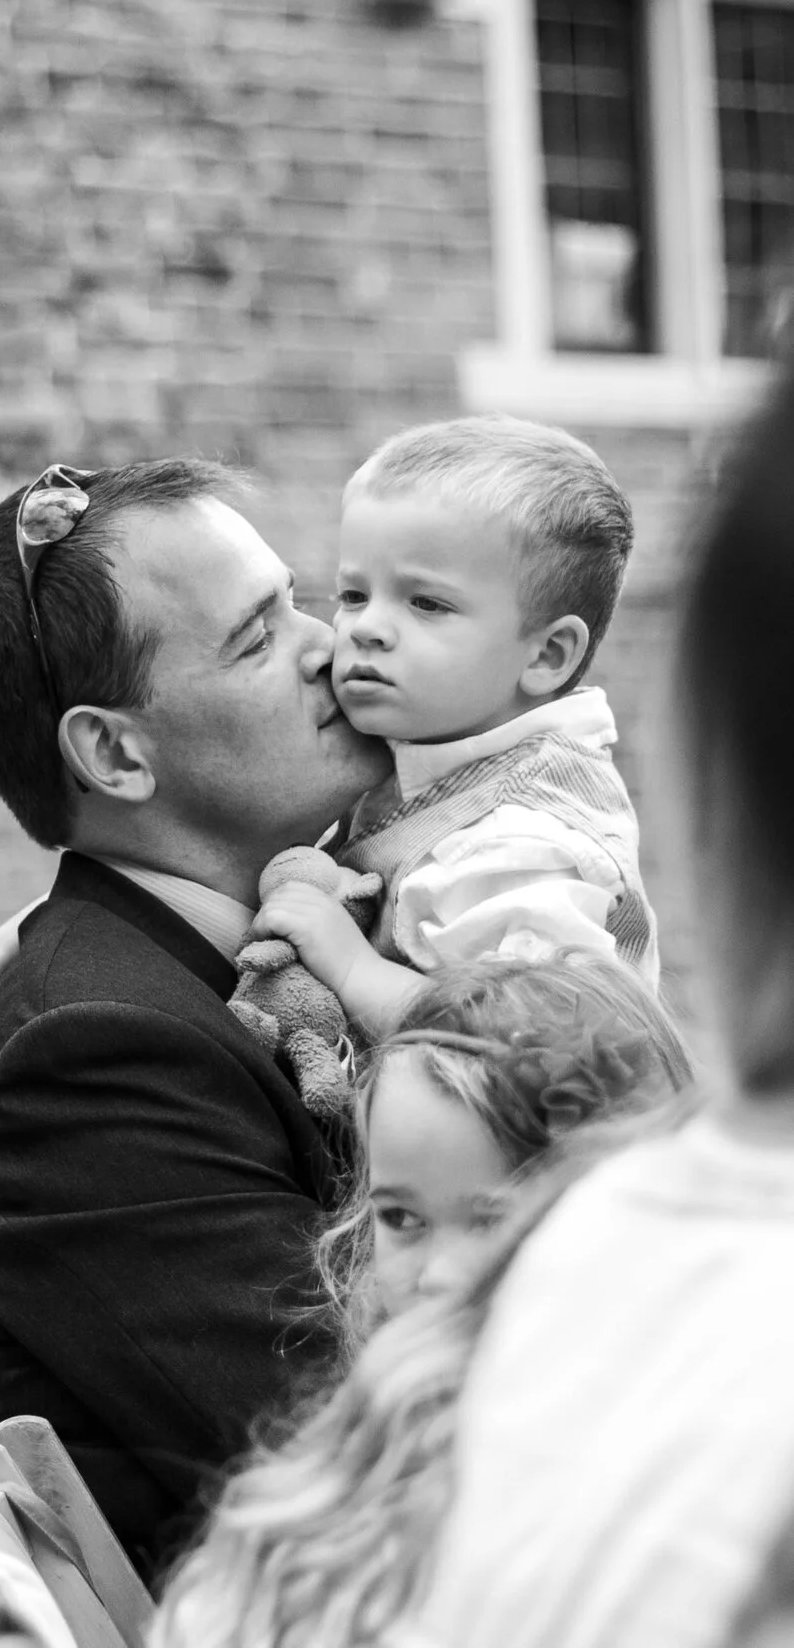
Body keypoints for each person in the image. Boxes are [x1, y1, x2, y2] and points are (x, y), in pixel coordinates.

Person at [0, 458, 389, 1580]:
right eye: (258, 637)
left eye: (300, 601)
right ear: (117, 754)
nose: (331, 644)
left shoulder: (279, 949)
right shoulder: (86, 1052)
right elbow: (354, 1454)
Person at [392, 358, 794, 1648]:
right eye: (348, 594)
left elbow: (531, 1026)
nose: (353, 636)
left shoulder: (583, 1286)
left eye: (420, 602)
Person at [153, 951, 695, 1648]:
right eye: (402, 1219)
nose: (439, 1276)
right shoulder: (346, 1469)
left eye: (494, 1220)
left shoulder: (683, 1501)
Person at [250, 416, 659, 1052]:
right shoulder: (424, 748)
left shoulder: (520, 839)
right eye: (354, 595)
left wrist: (356, 969)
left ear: (547, 655)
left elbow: (531, 1049)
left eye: (427, 604)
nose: (365, 628)